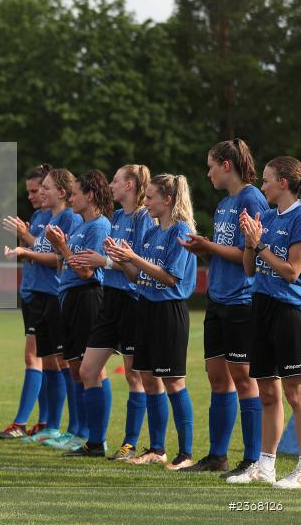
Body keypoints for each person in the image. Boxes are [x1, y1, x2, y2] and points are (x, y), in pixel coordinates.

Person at [180, 140, 267, 476]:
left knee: (244, 378)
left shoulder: (251, 198)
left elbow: (253, 253)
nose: (208, 172)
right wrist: (200, 249)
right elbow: (221, 251)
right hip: (218, 299)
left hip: (242, 300)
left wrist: (209, 245)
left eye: (211, 165)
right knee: (217, 377)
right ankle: (217, 456)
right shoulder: (223, 204)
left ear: (226, 164)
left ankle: (254, 458)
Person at [107, 174, 198, 470]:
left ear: (167, 200)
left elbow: (170, 277)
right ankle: (157, 449)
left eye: (150, 197)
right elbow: (138, 276)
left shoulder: (181, 231)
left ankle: (185, 454)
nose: (145, 203)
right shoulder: (152, 232)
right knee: (147, 378)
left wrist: (134, 256)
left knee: (173, 381)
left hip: (168, 312)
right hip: (144, 308)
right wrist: (122, 260)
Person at [69, 165, 154, 461]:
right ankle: (95, 443)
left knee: (134, 375)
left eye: (116, 181)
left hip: (133, 301)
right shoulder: (116, 217)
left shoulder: (145, 217)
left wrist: (103, 261)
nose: (112, 185)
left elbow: (139, 263)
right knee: (88, 370)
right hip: (111, 300)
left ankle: (130, 444)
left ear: (130, 185)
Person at [229, 156, 301, 487]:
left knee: (295, 394)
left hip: (290, 311)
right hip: (261, 306)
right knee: (267, 393)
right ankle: (266, 465)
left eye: (267, 180)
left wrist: (260, 245)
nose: (263, 186)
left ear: (284, 183)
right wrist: (249, 243)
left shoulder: (299, 217)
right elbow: (248, 269)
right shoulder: (268, 217)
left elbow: (291, 272)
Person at [9, 169, 83, 444]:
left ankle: (75, 429)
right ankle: (51, 425)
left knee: (66, 364)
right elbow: (39, 251)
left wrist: (27, 247)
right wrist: (25, 239)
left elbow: (58, 258)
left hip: (54, 294)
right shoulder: (46, 217)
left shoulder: (68, 217)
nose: (36, 195)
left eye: (41, 189)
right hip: (36, 295)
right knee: (52, 363)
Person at [44, 170, 113, 456]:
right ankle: (82, 433)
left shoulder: (99, 226)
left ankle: (95, 438)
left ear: (90, 195)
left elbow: (86, 272)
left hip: (87, 298)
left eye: (74, 193)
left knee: (91, 368)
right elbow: (69, 265)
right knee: (75, 367)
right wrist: (61, 247)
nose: (70, 198)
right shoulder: (80, 226)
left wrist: (61, 246)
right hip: (69, 297)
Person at [0, 164, 53, 439]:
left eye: (35, 190)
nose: (30, 196)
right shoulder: (38, 215)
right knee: (45, 360)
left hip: (46, 295)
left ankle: (22, 424)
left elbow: (51, 254)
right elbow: (32, 251)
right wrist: (21, 244)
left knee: (37, 358)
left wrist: (26, 237)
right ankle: (43, 422)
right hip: (31, 292)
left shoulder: (57, 218)